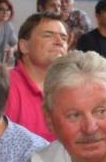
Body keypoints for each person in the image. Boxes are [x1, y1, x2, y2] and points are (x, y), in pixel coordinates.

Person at [6, 12, 68, 142]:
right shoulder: (4, 86)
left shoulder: (71, 89)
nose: (59, 42)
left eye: (64, 38)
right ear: (24, 46)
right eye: (48, 35)